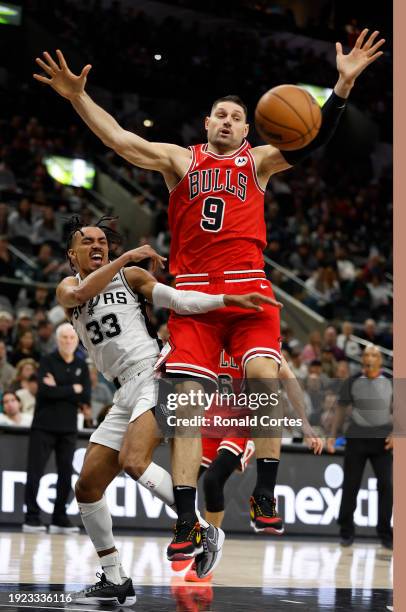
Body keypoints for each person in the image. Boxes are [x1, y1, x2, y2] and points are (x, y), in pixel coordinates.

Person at [35, 28, 384, 562]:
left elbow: (313, 141)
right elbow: (121, 141)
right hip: (195, 296)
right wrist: (79, 96)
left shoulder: (261, 162)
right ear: (206, 123)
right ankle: (185, 523)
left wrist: (340, 87)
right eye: (218, 114)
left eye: (235, 117)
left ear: (250, 127)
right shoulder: (181, 160)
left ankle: (266, 490)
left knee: (263, 374)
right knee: (188, 407)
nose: (226, 121)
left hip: (247, 289)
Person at [55, 217, 280, 605]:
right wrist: (126, 254)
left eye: (103, 241)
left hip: (156, 373)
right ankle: (115, 579)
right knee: (87, 486)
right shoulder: (69, 287)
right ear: (71, 254)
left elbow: (178, 300)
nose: (97, 244)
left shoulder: (130, 277)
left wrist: (224, 300)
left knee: (134, 459)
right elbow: (80, 295)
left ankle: (199, 527)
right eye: (87, 241)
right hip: (122, 389)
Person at [183, 351, 323, 582]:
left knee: (212, 480)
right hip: (212, 416)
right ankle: (194, 534)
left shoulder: (259, 339)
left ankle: (209, 551)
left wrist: (305, 424)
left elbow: (288, 377)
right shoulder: (213, 332)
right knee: (179, 485)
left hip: (244, 420)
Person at [22, 323, 91, 535]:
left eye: (71, 337)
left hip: (68, 429)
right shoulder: (47, 361)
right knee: (35, 473)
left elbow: (85, 397)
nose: (68, 341)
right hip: (43, 426)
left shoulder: (82, 365)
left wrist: (59, 387)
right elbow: (44, 392)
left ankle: (59, 518)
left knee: (65, 475)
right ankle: (31, 518)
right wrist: (72, 388)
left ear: (77, 340)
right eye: (64, 338)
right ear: (57, 340)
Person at [326, 345, 393, 550]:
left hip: (382, 440)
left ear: (380, 360)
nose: (369, 358)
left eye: (374, 355)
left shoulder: (390, 381)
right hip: (356, 438)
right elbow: (340, 410)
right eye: (366, 354)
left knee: (387, 486)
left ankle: (385, 533)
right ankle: (346, 531)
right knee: (351, 485)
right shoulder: (352, 381)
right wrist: (332, 435)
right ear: (362, 359)